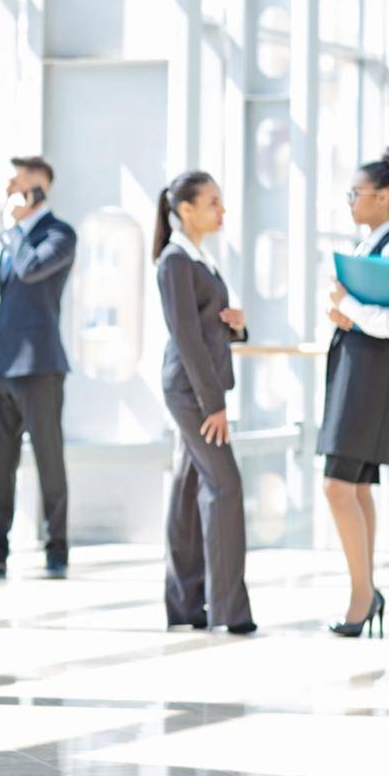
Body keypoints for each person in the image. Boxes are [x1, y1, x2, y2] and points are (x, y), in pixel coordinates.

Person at [319, 147, 389, 637]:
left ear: (385, 199)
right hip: (357, 371)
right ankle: (366, 591)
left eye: (356, 194)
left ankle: (362, 595)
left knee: (337, 486)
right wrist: (346, 315)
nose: (350, 202)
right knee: (357, 486)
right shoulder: (372, 246)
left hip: (369, 381)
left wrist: (351, 308)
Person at [152, 171, 255, 635]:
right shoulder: (175, 262)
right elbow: (186, 338)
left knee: (187, 493)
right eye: (213, 202)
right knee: (225, 485)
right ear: (186, 209)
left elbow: (207, 327)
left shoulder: (199, 259)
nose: (222, 210)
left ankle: (187, 606)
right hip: (192, 392)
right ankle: (228, 610)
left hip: (201, 389)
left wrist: (236, 326)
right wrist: (212, 403)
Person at [0, 156, 76, 580]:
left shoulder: (59, 234)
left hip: (40, 365)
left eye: (19, 181)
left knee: (49, 458)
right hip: (2, 365)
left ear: (39, 187)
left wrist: (15, 228)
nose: (10, 186)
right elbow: (8, 301)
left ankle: (57, 550)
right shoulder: (13, 240)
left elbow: (32, 271)